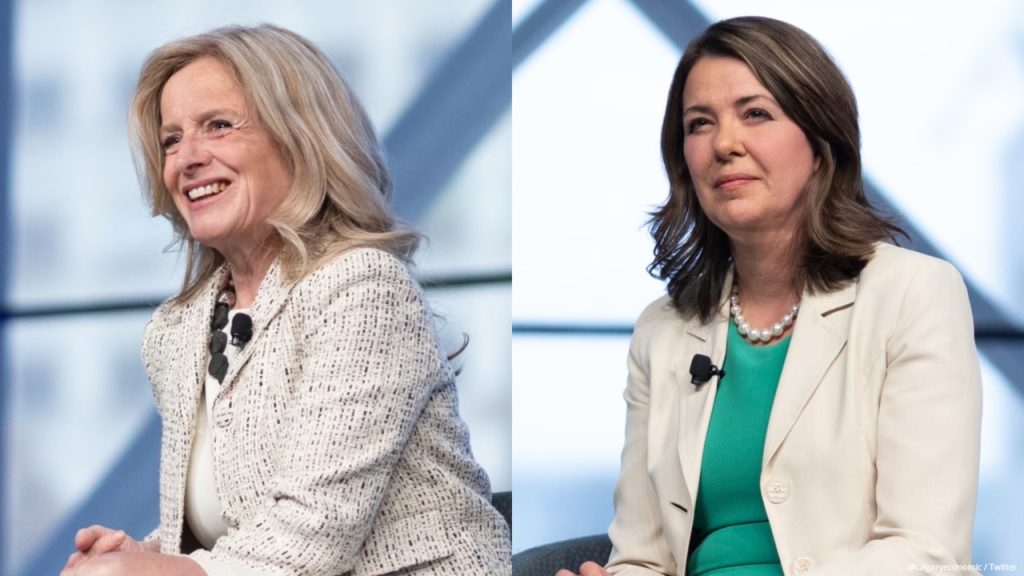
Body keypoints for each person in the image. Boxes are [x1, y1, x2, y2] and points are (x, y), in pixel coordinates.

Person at [60, 24, 511, 576]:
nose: (186, 159)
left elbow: (312, 535)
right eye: (170, 139)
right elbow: (242, 519)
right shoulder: (174, 331)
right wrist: (144, 554)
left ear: (300, 138)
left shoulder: (364, 289)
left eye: (218, 126)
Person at [557, 16, 982, 576]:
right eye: (699, 124)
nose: (724, 144)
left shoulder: (915, 293)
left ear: (820, 140)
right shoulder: (660, 331)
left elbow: (924, 551)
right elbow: (643, 555)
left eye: (755, 114)